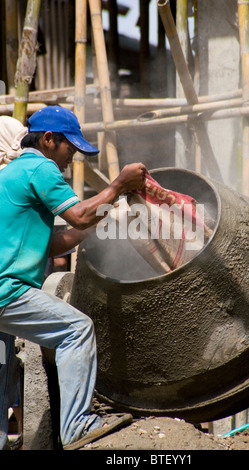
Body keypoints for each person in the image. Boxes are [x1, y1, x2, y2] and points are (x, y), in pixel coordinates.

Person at [0, 106, 147, 450]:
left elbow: (52, 244)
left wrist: (104, 216)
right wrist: (119, 185)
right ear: (49, 140)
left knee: (2, 375)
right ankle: (78, 426)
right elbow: (79, 215)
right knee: (77, 330)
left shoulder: (13, 174)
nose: (72, 157)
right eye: (70, 148)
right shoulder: (40, 167)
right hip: (8, 290)